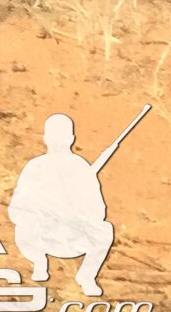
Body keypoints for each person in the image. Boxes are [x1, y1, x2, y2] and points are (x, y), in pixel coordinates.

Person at [8, 113, 117, 298]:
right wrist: (39, 219)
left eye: (63, 137)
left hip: (73, 238)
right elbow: (16, 209)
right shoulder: (35, 167)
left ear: (71, 139)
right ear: (45, 139)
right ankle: (39, 262)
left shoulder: (81, 167)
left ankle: (87, 276)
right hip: (42, 236)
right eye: (54, 137)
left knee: (104, 230)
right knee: (22, 228)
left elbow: (98, 210)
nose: (59, 141)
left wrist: (79, 215)